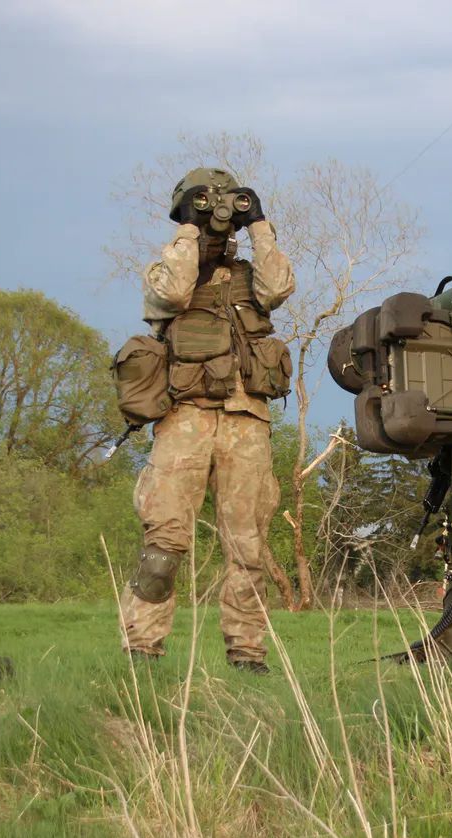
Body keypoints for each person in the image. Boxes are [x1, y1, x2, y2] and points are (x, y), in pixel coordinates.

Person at [122, 167, 295, 673]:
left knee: (248, 551)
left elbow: (280, 285)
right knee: (163, 547)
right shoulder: (166, 271)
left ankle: (246, 654)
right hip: (185, 420)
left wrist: (258, 224)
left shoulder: (251, 278)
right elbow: (175, 295)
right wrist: (188, 228)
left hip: (246, 419)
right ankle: (142, 650)